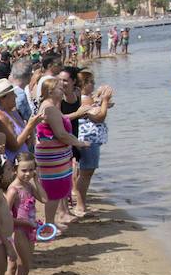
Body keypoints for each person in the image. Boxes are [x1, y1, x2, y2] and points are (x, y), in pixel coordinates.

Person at [33, 79, 91, 230]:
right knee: (54, 190)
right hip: (52, 157)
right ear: (50, 92)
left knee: (56, 189)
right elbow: (61, 134)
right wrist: (80, 143)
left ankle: (52, 221)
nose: (63, 89)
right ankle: (49, 224)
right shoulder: (50, 108)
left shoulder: (51, 106)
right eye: (59, 88)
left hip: (55, 155)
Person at [5, 155, 46, 275]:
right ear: (15, 170)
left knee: (22, 267)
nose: (28, 173)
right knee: (23, 268)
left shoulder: (28, 186)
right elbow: (5, 216)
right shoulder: (13, 190)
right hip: (18, 231)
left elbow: (44, 198)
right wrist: (25, 223)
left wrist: (36, 179)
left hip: (29, 230)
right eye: (24, 170)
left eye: (31, 170)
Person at [72, 70, 113, 219]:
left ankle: (80, 203)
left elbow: (95, 109)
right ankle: (80, 206)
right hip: (89, 140)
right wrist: (105, 100)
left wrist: (100, 99)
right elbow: (99, 117)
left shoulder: (83, 98)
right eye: (91, 83)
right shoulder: (84, 100)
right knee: (86, 173)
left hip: (86, 139)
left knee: (83, 171)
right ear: (84, 84)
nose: (94, 85)